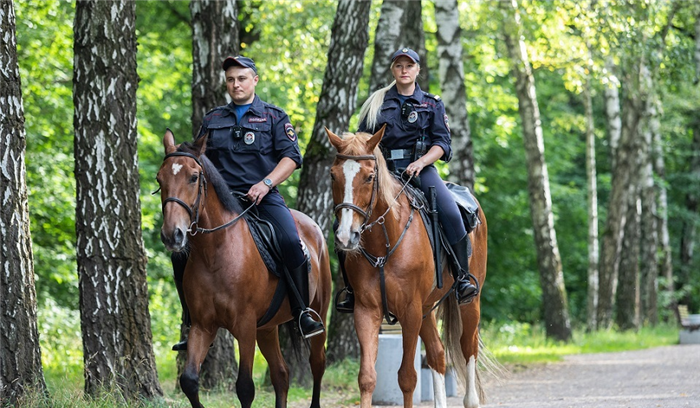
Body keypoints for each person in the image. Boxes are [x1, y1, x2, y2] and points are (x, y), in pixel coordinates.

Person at [172, 56, 324, 351]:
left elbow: (292, 158)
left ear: (254, 80)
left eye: (241, 78)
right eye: (230, 79)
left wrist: (266, 183)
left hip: (263, 198)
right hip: (221, 203)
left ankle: (303, 311)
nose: (235, 84)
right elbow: (197, 160)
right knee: (181, 252)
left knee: (292, 242)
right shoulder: (213, 119)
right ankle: (191, 317)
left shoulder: (274, 116)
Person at [335, 48, 478, 313]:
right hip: (381, 173)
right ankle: (351, 289)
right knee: (344, 219)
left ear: (417, 70)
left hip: (420, 170)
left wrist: (422, 162)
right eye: (399, 65)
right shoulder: (376, 103)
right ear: (393, 70)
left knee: (450, 211)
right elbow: (361, 144)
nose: (404, 70)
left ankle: (461, 278)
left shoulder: (432, 103)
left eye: (409, 65)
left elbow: (442, 144)